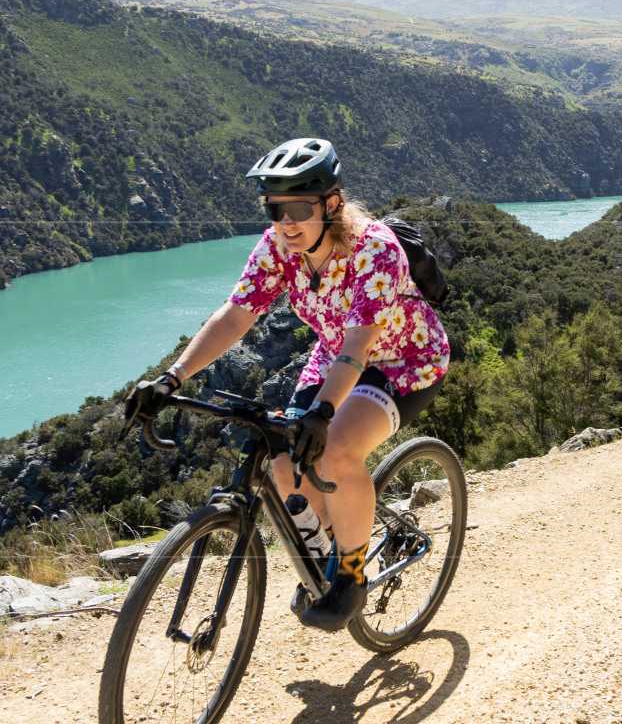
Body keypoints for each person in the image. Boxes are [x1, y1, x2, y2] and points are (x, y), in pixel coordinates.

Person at [123, 137, 451, 631]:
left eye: (299, 207)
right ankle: (324, 550)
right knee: (283, 464)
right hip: (333, 356)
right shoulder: (280, 245)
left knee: (337, 449)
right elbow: (236, 316)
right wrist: (171, 378)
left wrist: (323, 414)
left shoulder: (374, 250)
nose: (286, 221)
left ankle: (351, 573)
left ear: (332, 203)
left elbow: (359, 347)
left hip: (403, 360)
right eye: (276, 208)